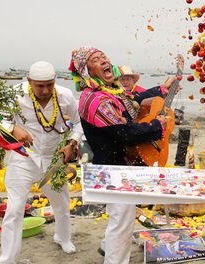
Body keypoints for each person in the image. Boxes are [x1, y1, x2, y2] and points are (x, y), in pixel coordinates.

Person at [70, 46, 166, 264]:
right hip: (114, 170)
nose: (104, 60)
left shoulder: (109, 90)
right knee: (121, 224)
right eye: (95, 59)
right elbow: (125, 133)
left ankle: (106, 246)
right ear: (86, 70)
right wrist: (156, 126)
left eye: (104, 56)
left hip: (119, 167)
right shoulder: (96, 100)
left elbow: (134, 97)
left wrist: (160, 89)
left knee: (121, 218)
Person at [0, 61, 83, 264]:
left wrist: (71, 144)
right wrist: (13, 129)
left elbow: (79, 124)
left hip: (53, 158)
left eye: (49, 85)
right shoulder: (15, 94)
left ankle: (63, 238)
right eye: (39, 85)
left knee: (61, 203)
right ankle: (7, 259)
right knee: (15, 208)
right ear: (29, 81)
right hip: (23, 157)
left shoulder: (65, 96)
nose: (45, 90)